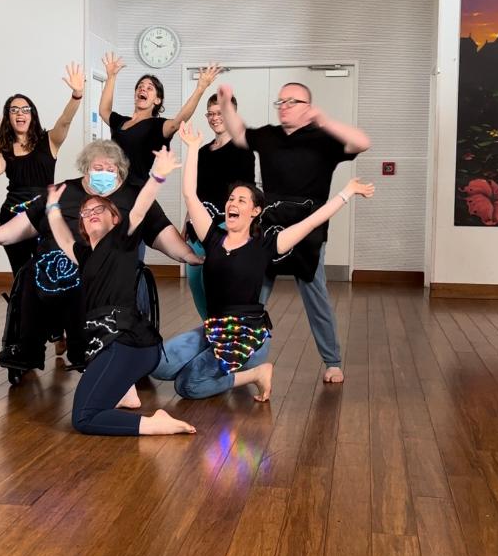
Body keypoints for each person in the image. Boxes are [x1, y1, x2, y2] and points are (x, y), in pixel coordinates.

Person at [153, 123, 374, 401]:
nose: (233, 203)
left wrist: (347, 192)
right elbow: (190, 195)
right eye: (231, 199)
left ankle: (256, 373)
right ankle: (213, 366)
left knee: (188, 386)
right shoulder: (212, 236)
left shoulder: (266, 246)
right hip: (214, 328)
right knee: (159, 366)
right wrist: (194, 148)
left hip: (247, 337)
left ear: (255, 211)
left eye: (242, 200)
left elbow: (313, 220)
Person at [0, 140, 201, 384]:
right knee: (31, 273)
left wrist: (188, 256)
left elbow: (161, 231)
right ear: (86, 168)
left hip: (102, 269)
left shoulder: (132, 197)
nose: (105, 173)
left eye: (112, 169)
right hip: (51, 265)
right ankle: (27, 349)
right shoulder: (63, 191)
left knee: (82, 278)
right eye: (99, 167)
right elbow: (30, 222)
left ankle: (81, 349)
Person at [218, 81, 372, 384]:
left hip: (308, 228)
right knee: (253, 293)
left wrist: (324, 120)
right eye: (281, 101)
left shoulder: (324, 139)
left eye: (293, 101)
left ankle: (332, 361)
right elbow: (238, 132)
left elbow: (362, 142)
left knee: (316, 295)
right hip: (270, 224)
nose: (285, 106)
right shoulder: (269, 135)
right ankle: (238, 358)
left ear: (307, 106)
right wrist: (225, 102)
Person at [43, 150, 195, 435]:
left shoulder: (122, 240)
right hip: (113, 342)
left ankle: (154, 424)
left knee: (84, 418)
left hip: (128, 341)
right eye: (85, 214)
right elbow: (64, 238)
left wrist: (158, 175)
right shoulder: (86, 254)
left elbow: (140, 208)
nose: (90, 215)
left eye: (98, 210)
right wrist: (53, 208)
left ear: (115, 219)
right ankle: (126, 392)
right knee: (95, 396)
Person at [0, 63, 85, 275]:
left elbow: (65, 120)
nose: (20, 114)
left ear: (32, 115)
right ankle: (19, 307)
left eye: (25, 110)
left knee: (47, 270)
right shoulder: (4, 148)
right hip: (12, 214)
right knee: (22, 272)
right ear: (8, 117)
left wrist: (77, 95)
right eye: (14, 110)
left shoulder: (49, 140)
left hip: (43, 214)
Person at [98, 52, 221, 187]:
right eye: (140, 87)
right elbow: (104, 110)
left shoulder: (156, 126)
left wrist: (200, 88)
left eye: (149, 88)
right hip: (112, 185)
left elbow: (177, 123)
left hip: (135, 189)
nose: (143, 89)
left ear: (157, 100)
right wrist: (111, 77)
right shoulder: (120, 122)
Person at [185, 92, 256, 319]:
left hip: (225, 229)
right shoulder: (203, 152)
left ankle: (226, 336)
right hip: (198, 228)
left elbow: (246, 195)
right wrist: (186, 222)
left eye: (221, 113)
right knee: (196, 282)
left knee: (221, 289)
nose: (215, 118)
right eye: (211, 113)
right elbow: (194, 192)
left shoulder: (242, 151)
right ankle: (211, 333)